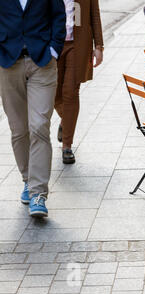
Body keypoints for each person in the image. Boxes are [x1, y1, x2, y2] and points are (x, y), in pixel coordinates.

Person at [0, 0, 66, 218]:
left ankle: (39, 193)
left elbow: (58, 15)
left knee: (39, 125)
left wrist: (54, 49)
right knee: (19, 129)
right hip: (8, 63)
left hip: (42, 63)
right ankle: (28, 180)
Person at [55, 0, 104, 164]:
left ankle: (67, 146)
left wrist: (99, 46)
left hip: (78, 44)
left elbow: (94, 14)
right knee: (53, 94)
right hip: (53, 44)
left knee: (70, 92)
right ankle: (65, 121)